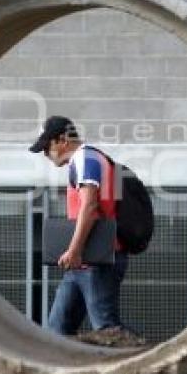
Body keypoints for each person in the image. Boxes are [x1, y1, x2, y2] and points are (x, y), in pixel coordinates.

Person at [29, 115, 128, 335]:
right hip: (82, 262)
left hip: (96, 262)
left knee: (106, 328)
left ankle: (137, 365)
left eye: (47, 147)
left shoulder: (86, 159)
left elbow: (90, 206)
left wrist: (74, 250)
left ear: (62, 140)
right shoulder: (86, 159)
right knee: (57, 329)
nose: (46, 154)